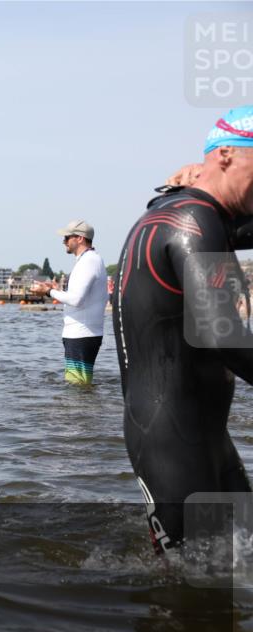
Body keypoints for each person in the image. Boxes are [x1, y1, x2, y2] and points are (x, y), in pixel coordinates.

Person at [112, 105, 253, 553]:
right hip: (167, 434)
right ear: (226, 155)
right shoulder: (192, 221)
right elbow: (223, 336)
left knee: (237, 562)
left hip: (207, 432)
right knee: (188, 581)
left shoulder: (195, 212)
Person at [31, 220, 107, 385]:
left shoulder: (88, 261)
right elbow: (79, 296)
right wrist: (57, 289)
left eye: (67, 237)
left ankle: (82, 404)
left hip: (82, 333)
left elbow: (76, 300)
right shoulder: (89, 259)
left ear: (79, 238)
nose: (63, 241)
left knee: (77, 386)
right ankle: (86, 402)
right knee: (80, 385)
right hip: (82, 332)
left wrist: (48, 292)